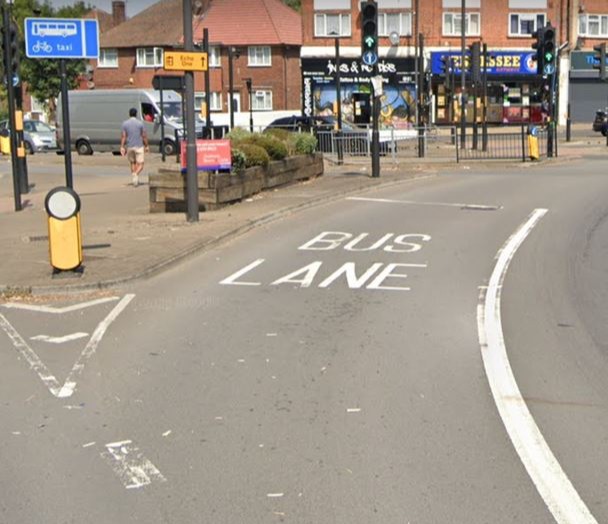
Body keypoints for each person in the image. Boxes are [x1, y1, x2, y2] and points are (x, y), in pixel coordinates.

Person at [120, 107, 149, 187]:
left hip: (130, 146)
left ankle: (134, 178)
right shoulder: (140, 123)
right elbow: (144, 136)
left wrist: (122, 146)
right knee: (141, 164)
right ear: (136, 114)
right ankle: (135, 175)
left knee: (132, 162)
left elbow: (124, 136)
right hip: (139, 145)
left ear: (129, 114)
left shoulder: (125, 123)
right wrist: (146, 145)